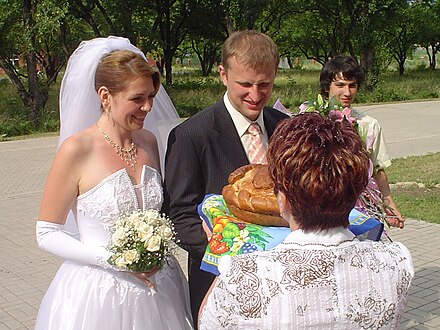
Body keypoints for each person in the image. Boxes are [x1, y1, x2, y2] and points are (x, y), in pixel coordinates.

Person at [199, 113, 414, 329]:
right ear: (355, 193)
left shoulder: (242, 275)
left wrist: (220, 245)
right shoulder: (395, 262)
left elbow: (207, 323)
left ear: (281, 199)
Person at [35, 36, 193, 329]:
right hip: (99, 296)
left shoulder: (147, 141)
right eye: (137, 99)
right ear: (105, 96)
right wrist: (115, 260)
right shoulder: (77, 149)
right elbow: (46, 232)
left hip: (159, 288)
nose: (147, 107)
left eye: (151, 97)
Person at [162, 30, 289, 325]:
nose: (255, 95)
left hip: (284, 284)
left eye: (265, 84)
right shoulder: (191, 135)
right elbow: (179, 215)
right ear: (223, 74)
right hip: (220, 285)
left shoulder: (285, 126)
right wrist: (229, 251)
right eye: (245, 84)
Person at [319, 55, 404, 228]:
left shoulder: (369, 125)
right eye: (340, 85)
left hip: (358, 211)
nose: (347, 92)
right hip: (319, 209)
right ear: (327, 87)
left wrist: (389, 205)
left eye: (352, 86)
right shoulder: (311, 121)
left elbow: (377, 170)